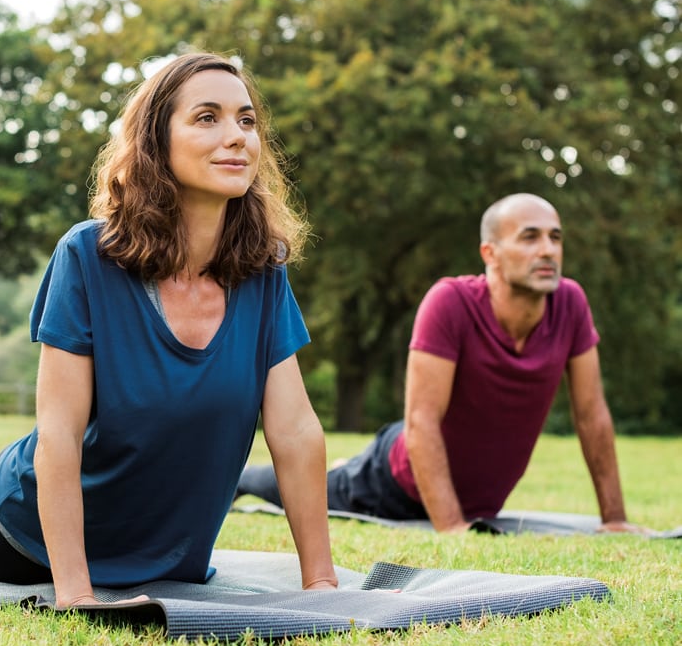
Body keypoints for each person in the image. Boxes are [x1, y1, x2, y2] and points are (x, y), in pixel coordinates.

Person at [0, 51, 339, 607]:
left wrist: (322, 583)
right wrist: (74, 592)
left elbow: (295, 431)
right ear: (155, 142)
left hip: (162, 549)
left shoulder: (262, 272)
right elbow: (59, 435)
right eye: (207, 117)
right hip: (32, 534)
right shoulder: (89, 256)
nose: (237, 136)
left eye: (247, 120)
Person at [238, 193, 646, 534]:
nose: (547, 250)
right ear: (491, 252)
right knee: (309, 487)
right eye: (529, 237)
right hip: (393, 482)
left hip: (473, 496)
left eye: (555, 238)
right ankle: (240, 479)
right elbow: (422, 422)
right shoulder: (451, 302)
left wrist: (615, 520)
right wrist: (452, 528)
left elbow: (592, 415)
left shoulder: (570, 303)